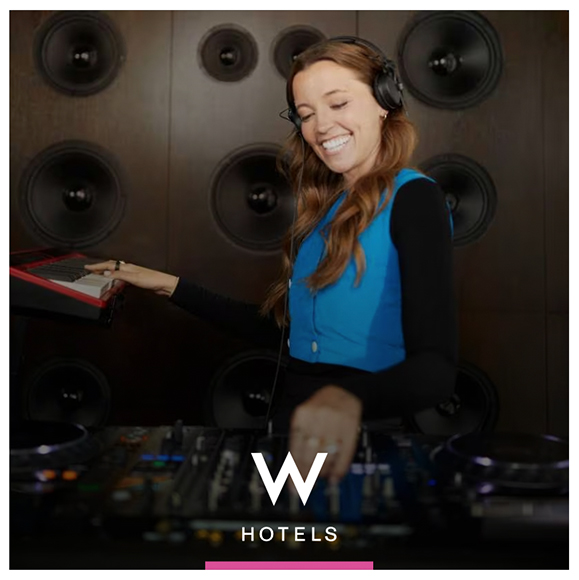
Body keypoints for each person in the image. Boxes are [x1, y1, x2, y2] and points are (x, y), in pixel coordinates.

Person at [85, 37, 457, 484]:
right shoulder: (325, 208)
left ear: (384, 101)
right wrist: (167, 284)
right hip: (287, 430)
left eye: (338, 103)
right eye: (306, 114)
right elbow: (286, 335)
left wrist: (347, 399)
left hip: (360, 438)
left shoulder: (415, 198)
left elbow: (436, 371)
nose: (321, 127)